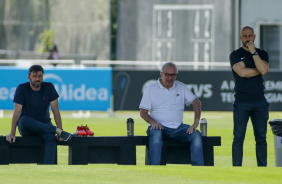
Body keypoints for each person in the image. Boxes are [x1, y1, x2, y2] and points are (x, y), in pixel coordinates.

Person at [139, 62, 204, 166]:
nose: (170, 78)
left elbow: (196, 103)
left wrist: (196, 122)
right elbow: (143, 112)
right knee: (155, 135)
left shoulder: (181, 86)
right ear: (161, 74)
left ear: (176, 75)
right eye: (167, 75)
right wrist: (153, 122)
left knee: (196, 135)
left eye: (173, 75)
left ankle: (198, 170)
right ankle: (155, 169)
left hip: (178, 127)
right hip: (159, 127)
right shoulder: (151, 89)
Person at [6, 65, 72, 164]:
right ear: (29, 77)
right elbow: (17, 112)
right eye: (35, 76)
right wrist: (12, 133)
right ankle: (55, 130)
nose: (37, 79)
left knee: (51, 138)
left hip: (44, 126)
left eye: (40, 76)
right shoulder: (22, 88)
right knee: (23, 120)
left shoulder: (49, 87)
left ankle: (48, 169)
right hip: (27, 128)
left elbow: (56, 111)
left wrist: (60, 132)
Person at [229, 26, 269, 166]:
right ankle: (237, 168)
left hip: (260, 101)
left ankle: (262, 168)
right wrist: (259, 68)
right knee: (238, 137)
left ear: (254, 36)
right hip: (242, 102)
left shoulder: (262, 53)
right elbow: (242, 73)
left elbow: (263, 69)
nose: (247, 38)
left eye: (250, 35)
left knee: (261, 138)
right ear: (241, 38)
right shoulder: (235, 54)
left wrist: (254, 53)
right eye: (245, 36)